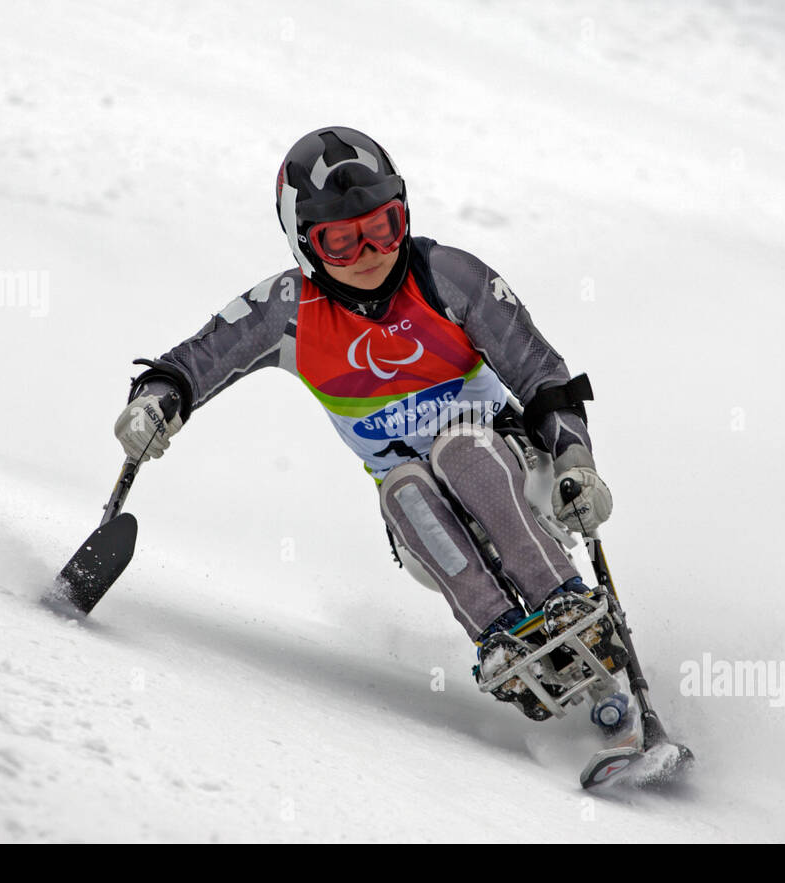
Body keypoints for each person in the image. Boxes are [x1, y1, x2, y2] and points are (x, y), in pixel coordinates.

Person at [113, 126, 618, 719]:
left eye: (383, 227)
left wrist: (575, 462)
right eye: (341, 241)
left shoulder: (447, 275)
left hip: (514, 471)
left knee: (461, 450)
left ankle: (565, 601)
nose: (370, 254)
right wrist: (155, 402)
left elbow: (541, 375)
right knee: (403, 485)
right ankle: (499, 637)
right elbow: (193, 363)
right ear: (304, 245)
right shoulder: (288, 310)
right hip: (424, 520)